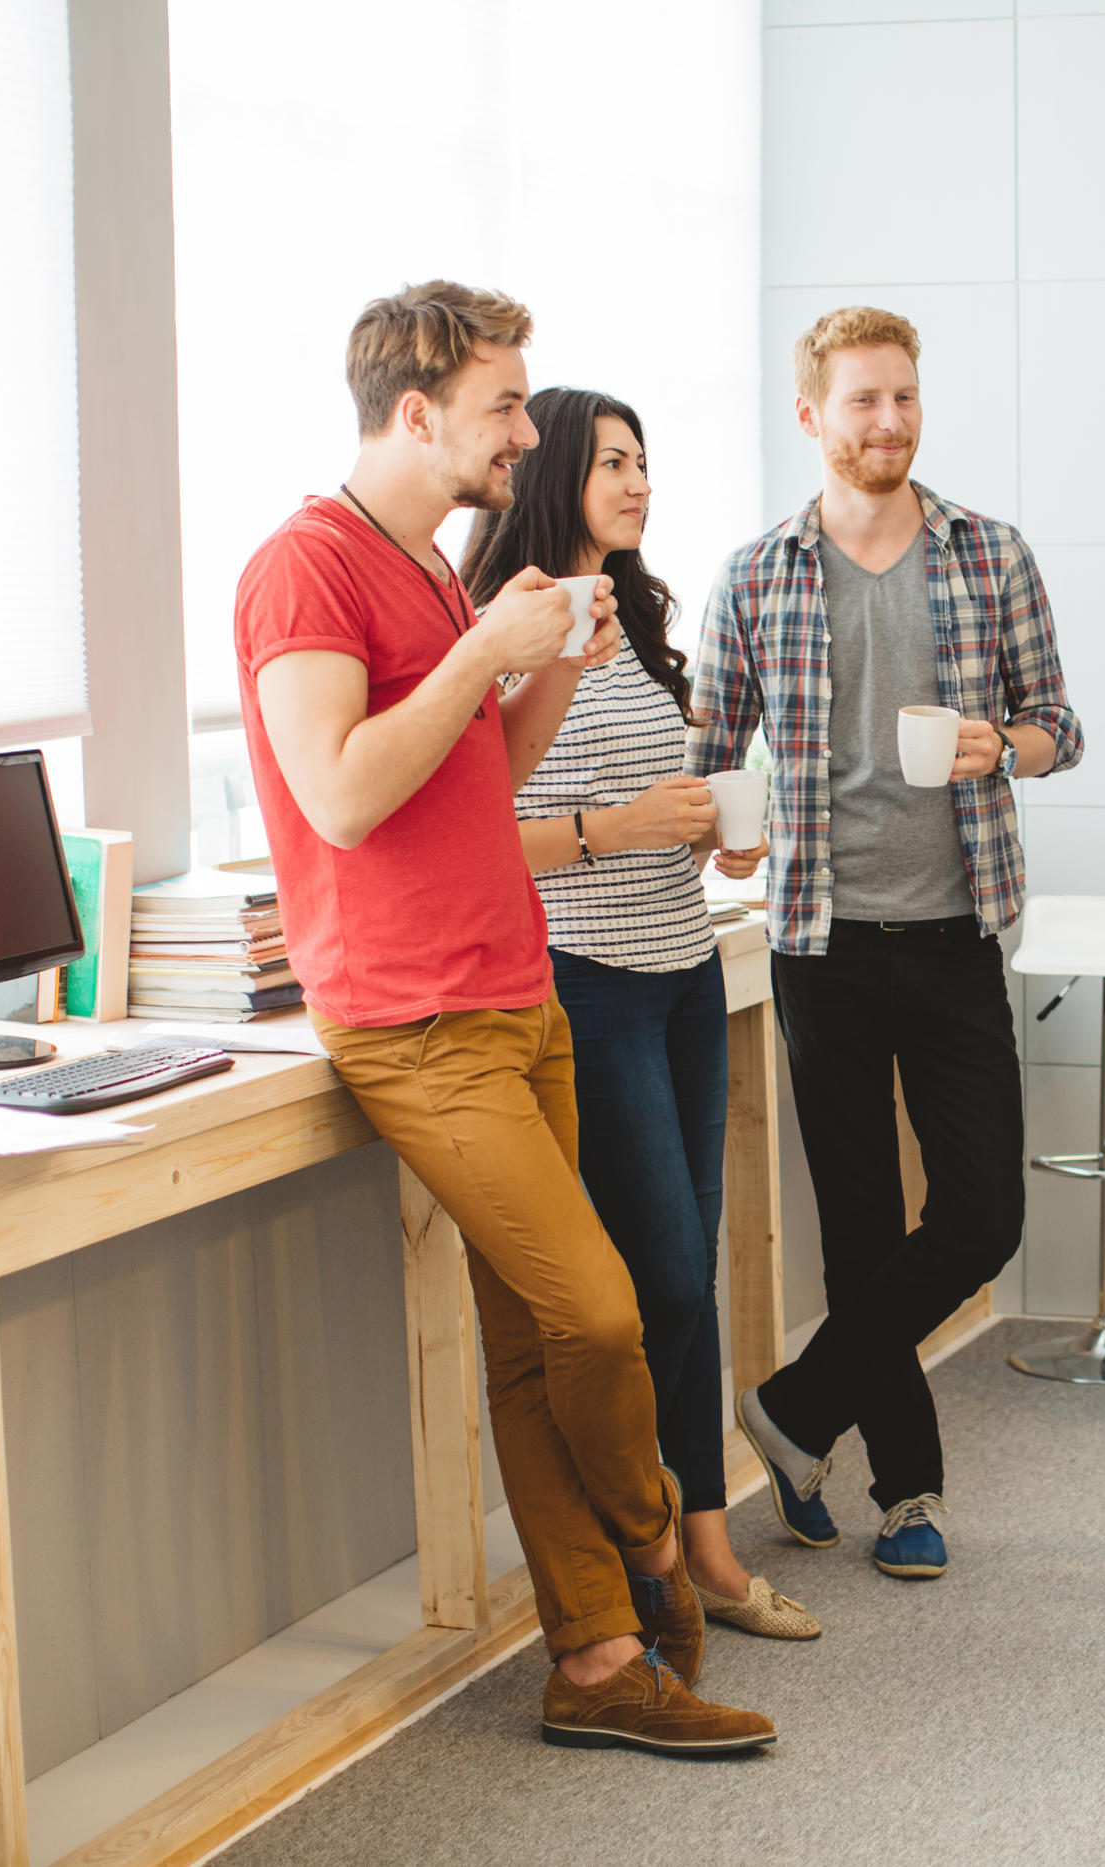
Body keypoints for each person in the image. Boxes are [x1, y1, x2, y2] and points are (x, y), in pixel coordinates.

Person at [238, 282, 774, 1755]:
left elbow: (476, 769)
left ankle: (597, 1662)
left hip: (517, 988)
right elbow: (340, 792)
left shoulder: (419, 567)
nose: (525, 434)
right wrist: (487, 650)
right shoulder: (306, 568)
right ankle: (655, 1545)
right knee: (601, 1307)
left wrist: (545, 669)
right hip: (414, 1020)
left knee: (543, 1348)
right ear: (416, 415)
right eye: (504, 409)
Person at [696, 306, 1083, 1582]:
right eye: (863, 401)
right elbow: (708, 756)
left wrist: (1003, 747)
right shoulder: (755, 576)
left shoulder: (988, 555)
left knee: (979, 1216)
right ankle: (905, 1491)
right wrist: (724, 832)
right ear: (811, 416)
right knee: (864, 1225)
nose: (890, 422)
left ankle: (794, 1411)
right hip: (817, 943)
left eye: (905, 397)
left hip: (958, 926)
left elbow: (1056, 723)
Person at [461, 388, 818, 1646]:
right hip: (585, 985)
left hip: (682, 974)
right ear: (554, 469)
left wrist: (715, 836)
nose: (639, 483)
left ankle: (708, 1544)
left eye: (647, 463)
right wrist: (615, 830)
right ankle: (654, 1553)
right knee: (656, 1275)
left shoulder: (636, 613)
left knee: (692, 1277)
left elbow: (656, 792)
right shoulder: (503, 629)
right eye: (614, 462)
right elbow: (472, 839)